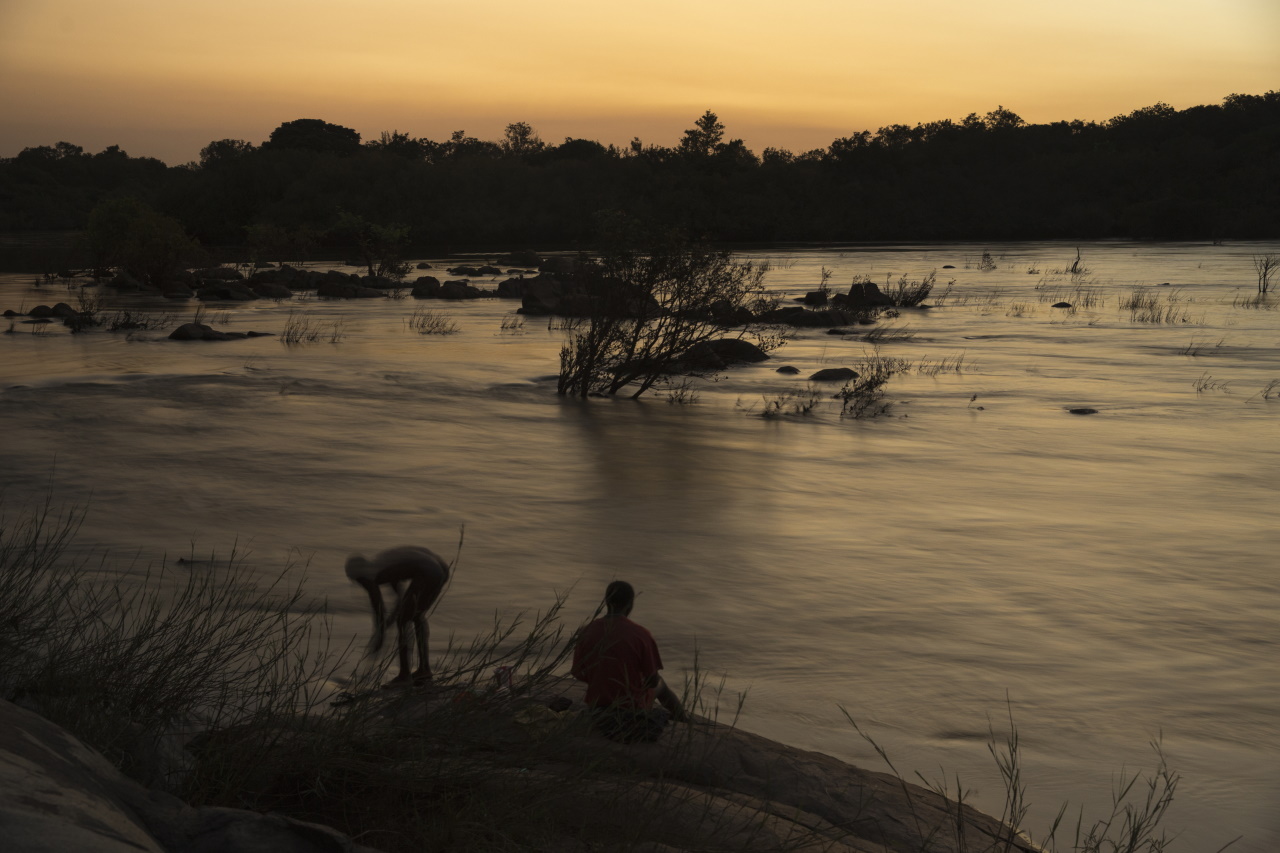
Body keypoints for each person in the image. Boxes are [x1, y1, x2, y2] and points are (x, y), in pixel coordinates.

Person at [571, 580, 688, 742]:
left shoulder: (587, 631)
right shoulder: (641, 634)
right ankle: (685, 722)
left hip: (597, 707)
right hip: (631, 710)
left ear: (606, 601)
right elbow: (652, 680)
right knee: (661, 684)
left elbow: (578, 673)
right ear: (630, 604)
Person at [345, 545, 449, 688]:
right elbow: (400, 599)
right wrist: (390, 621)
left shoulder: (370, 576)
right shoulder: (383, 566)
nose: (360, 584)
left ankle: (404, 676)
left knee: (404, 621)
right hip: (439, 568)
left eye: (357, 580)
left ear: (359, 575)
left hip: (427, 571)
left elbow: (378, 607)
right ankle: (424, 670)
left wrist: (379, 636)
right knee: (416, 616)